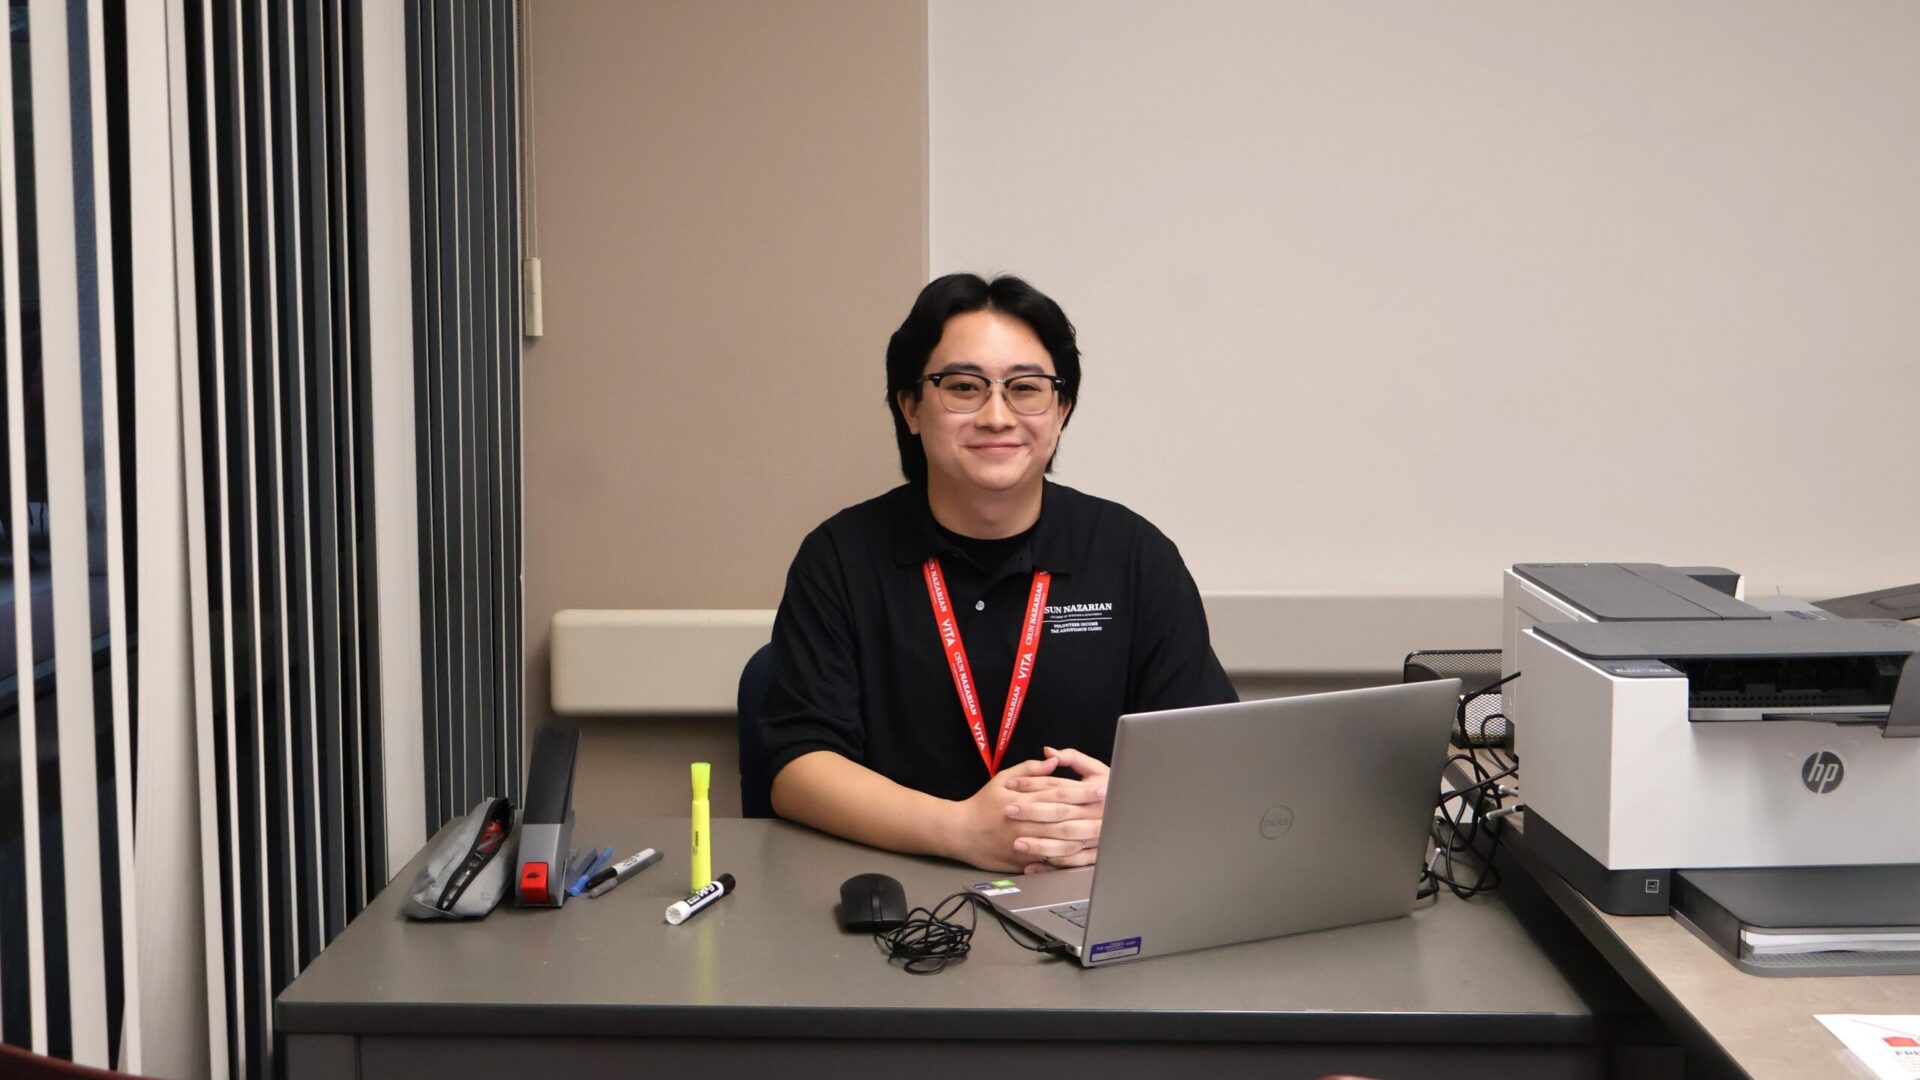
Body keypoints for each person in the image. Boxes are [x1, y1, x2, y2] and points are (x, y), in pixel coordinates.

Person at [759, 273, 1235, 873]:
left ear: (1061, 410)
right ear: (910, 406)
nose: (996, 415)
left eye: (1026, 388)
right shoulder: (839, 557)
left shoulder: (1134, 556)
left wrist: (1128, 808)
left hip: (1092, 888)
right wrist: (961, 830)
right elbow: (798, 767)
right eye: (963, 387)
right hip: (898, 891)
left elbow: (1210, 753)